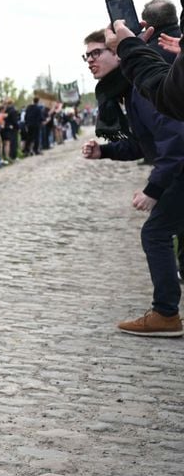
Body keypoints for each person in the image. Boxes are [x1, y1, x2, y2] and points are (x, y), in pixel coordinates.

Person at [80, 29, 184, 337]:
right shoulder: (128, 90)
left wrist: (153, 190)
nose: (90, 61)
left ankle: (165, 314)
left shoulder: (140, 90)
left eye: (97, 52)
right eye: (86, 55)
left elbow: (176, 141)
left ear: (118, 52)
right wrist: (106, 151)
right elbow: (146, 144)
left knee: (155, 233)